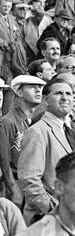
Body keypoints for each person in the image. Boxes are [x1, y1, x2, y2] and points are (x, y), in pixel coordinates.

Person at [17, 75, 75, 222]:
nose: (65, 98)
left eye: (68, 93)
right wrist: (53, 209)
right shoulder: (37, 131)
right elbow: (29, 180)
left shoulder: (72, 131)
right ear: (45, 100)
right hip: (45, 218)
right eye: (58, 93)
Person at [1, 75, 43, 203]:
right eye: (32, 87)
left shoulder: (35, 121)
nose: (38, 90)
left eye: (40, 87)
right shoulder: (8, 122)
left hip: (32, 184)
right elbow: (4, 160)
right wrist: (13, 189)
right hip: (16, 184)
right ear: (19, 92)